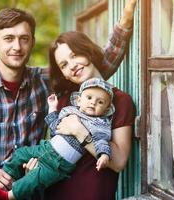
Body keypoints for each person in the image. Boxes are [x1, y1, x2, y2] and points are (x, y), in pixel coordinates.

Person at [0, 2, 135, 199]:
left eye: (24, 39)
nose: (17, 47)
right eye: (9, 38)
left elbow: (92, 71)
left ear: (32, 42)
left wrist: (125, 22)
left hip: (23, 191)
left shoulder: (45, 82)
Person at [40, 1, 137, 199]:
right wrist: (37, 162)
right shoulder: (66, 100)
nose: (73, 66)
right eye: (64, 65)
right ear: (64, 74)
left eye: (75, 55)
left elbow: (118, 161)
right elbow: (55, 148)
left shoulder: (120, 100)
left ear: (87, 51)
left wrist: (81, 133)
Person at [0, 78, 116, 200]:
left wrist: (104, 154)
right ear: (79, 100)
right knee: (20, 153)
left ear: (106, 110)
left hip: (58, 165)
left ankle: (7, 196)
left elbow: (101, 141)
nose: (93, 102)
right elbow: (55, 128)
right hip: (45, 148)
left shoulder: (99, 124)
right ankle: (8, 176)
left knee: (33, 180)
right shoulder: (70, 112)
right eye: (89, 97)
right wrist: (52, 108)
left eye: (100, 102)